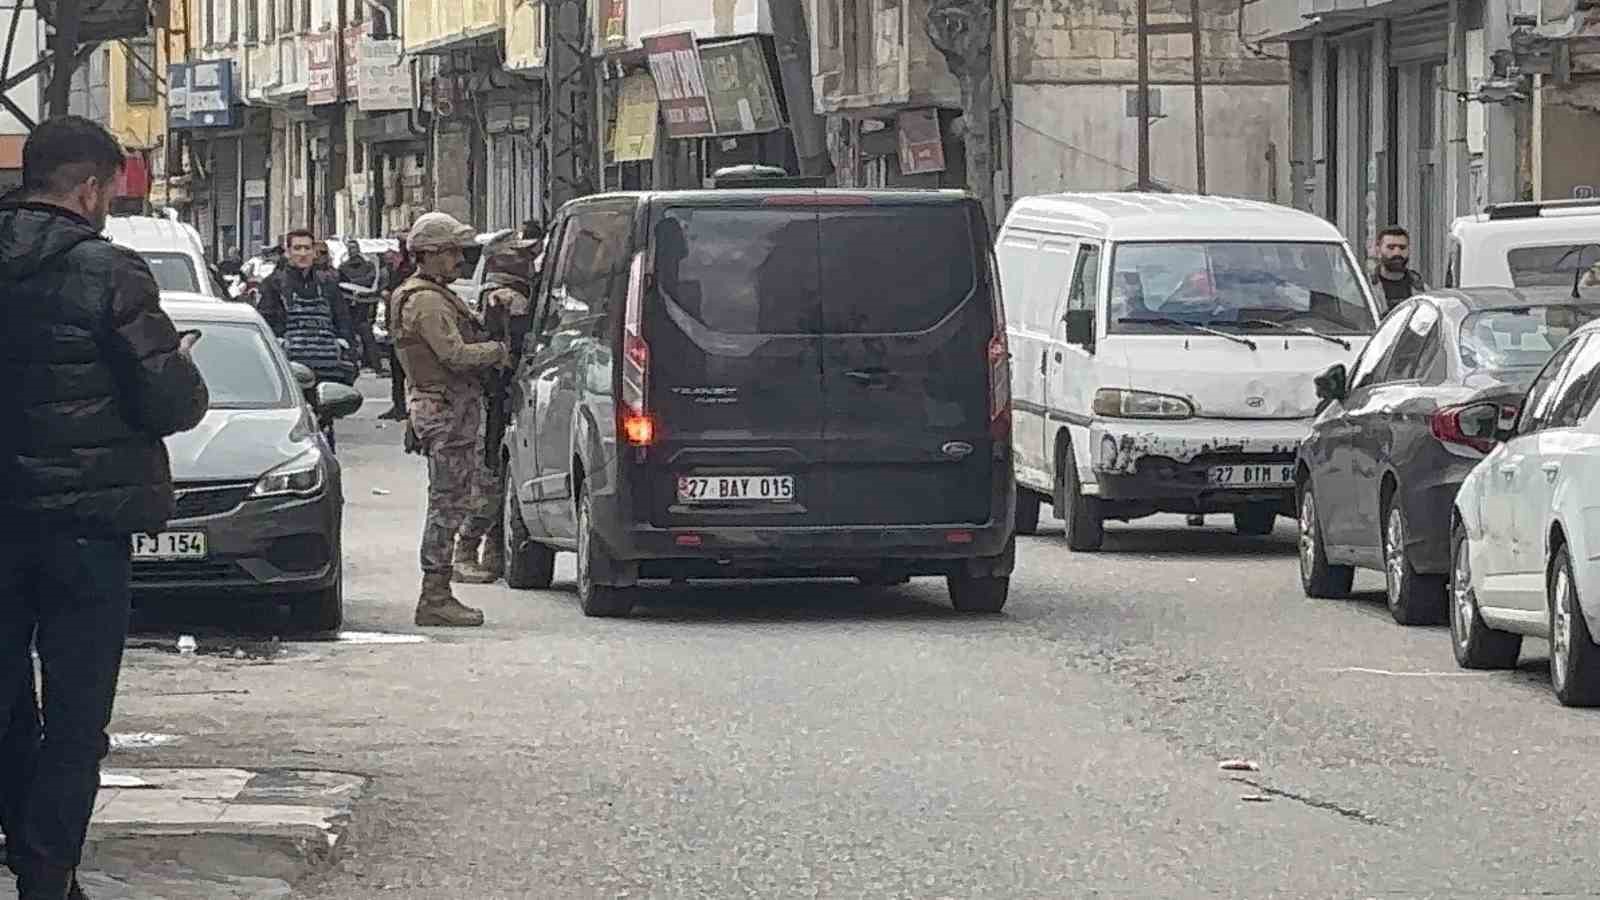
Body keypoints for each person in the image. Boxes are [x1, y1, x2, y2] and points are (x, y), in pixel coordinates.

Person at [0, 115, 209, 900]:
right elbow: (168, 401)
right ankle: (48, 875)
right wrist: (180, 366)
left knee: (8, 704)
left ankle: (27, 846)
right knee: (77, 716)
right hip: (86, 532)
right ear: (89, 188)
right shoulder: (109, 271)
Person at [391, 212, 509, 627]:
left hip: (445, 408)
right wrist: (498, 350)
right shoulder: (425, 300)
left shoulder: (435, 294)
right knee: (447, 503)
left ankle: (439, 591)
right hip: (446, 411)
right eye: (451, 251)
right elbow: (454, 355)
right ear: (430, 254)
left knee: (453, 498)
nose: (459, 259)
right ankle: (435, 595)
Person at [453, 234, 539, 584]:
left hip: (511, 402)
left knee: (504, 483)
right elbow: (495, 353)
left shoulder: (523, 306)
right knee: (486, 483)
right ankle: (465, 550)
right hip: (490, 405)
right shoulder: (495, 306)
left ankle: (494, 551)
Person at [257, 229, 358, 385]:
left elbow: (343, 321)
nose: (303, 253)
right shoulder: (273, 284)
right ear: (288, 252)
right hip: (290, 370)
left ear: (313, 252)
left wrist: (346, 350)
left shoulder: (328, 284)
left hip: (329, 369)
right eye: (297, 248)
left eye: (307, 248)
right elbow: (266, 325)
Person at [379, 236, 416, 420]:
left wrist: (390, 295)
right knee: (397, 371)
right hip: (396, 326)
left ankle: (408, 407)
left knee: (409, 370)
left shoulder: (410, 270)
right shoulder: (399, 269)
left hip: (406, 328)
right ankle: (399, 406)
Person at [338, 239, 383, 372]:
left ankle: (370, 364)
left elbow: (370, 280)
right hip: (355, 305)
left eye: (354, 248)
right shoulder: (344, 267)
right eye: (350, 248)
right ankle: (368, 364)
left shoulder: (366, 266)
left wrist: (353, 284)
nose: (352, 250)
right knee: (360, 334)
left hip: (361, 305)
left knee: (362, 334)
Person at [1371, 226, 1426, 312]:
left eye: (1402, 248)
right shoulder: (1367, 287)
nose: (1397, 253)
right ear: (1378, 250)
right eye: (1391, 247)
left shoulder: (1421, 288)